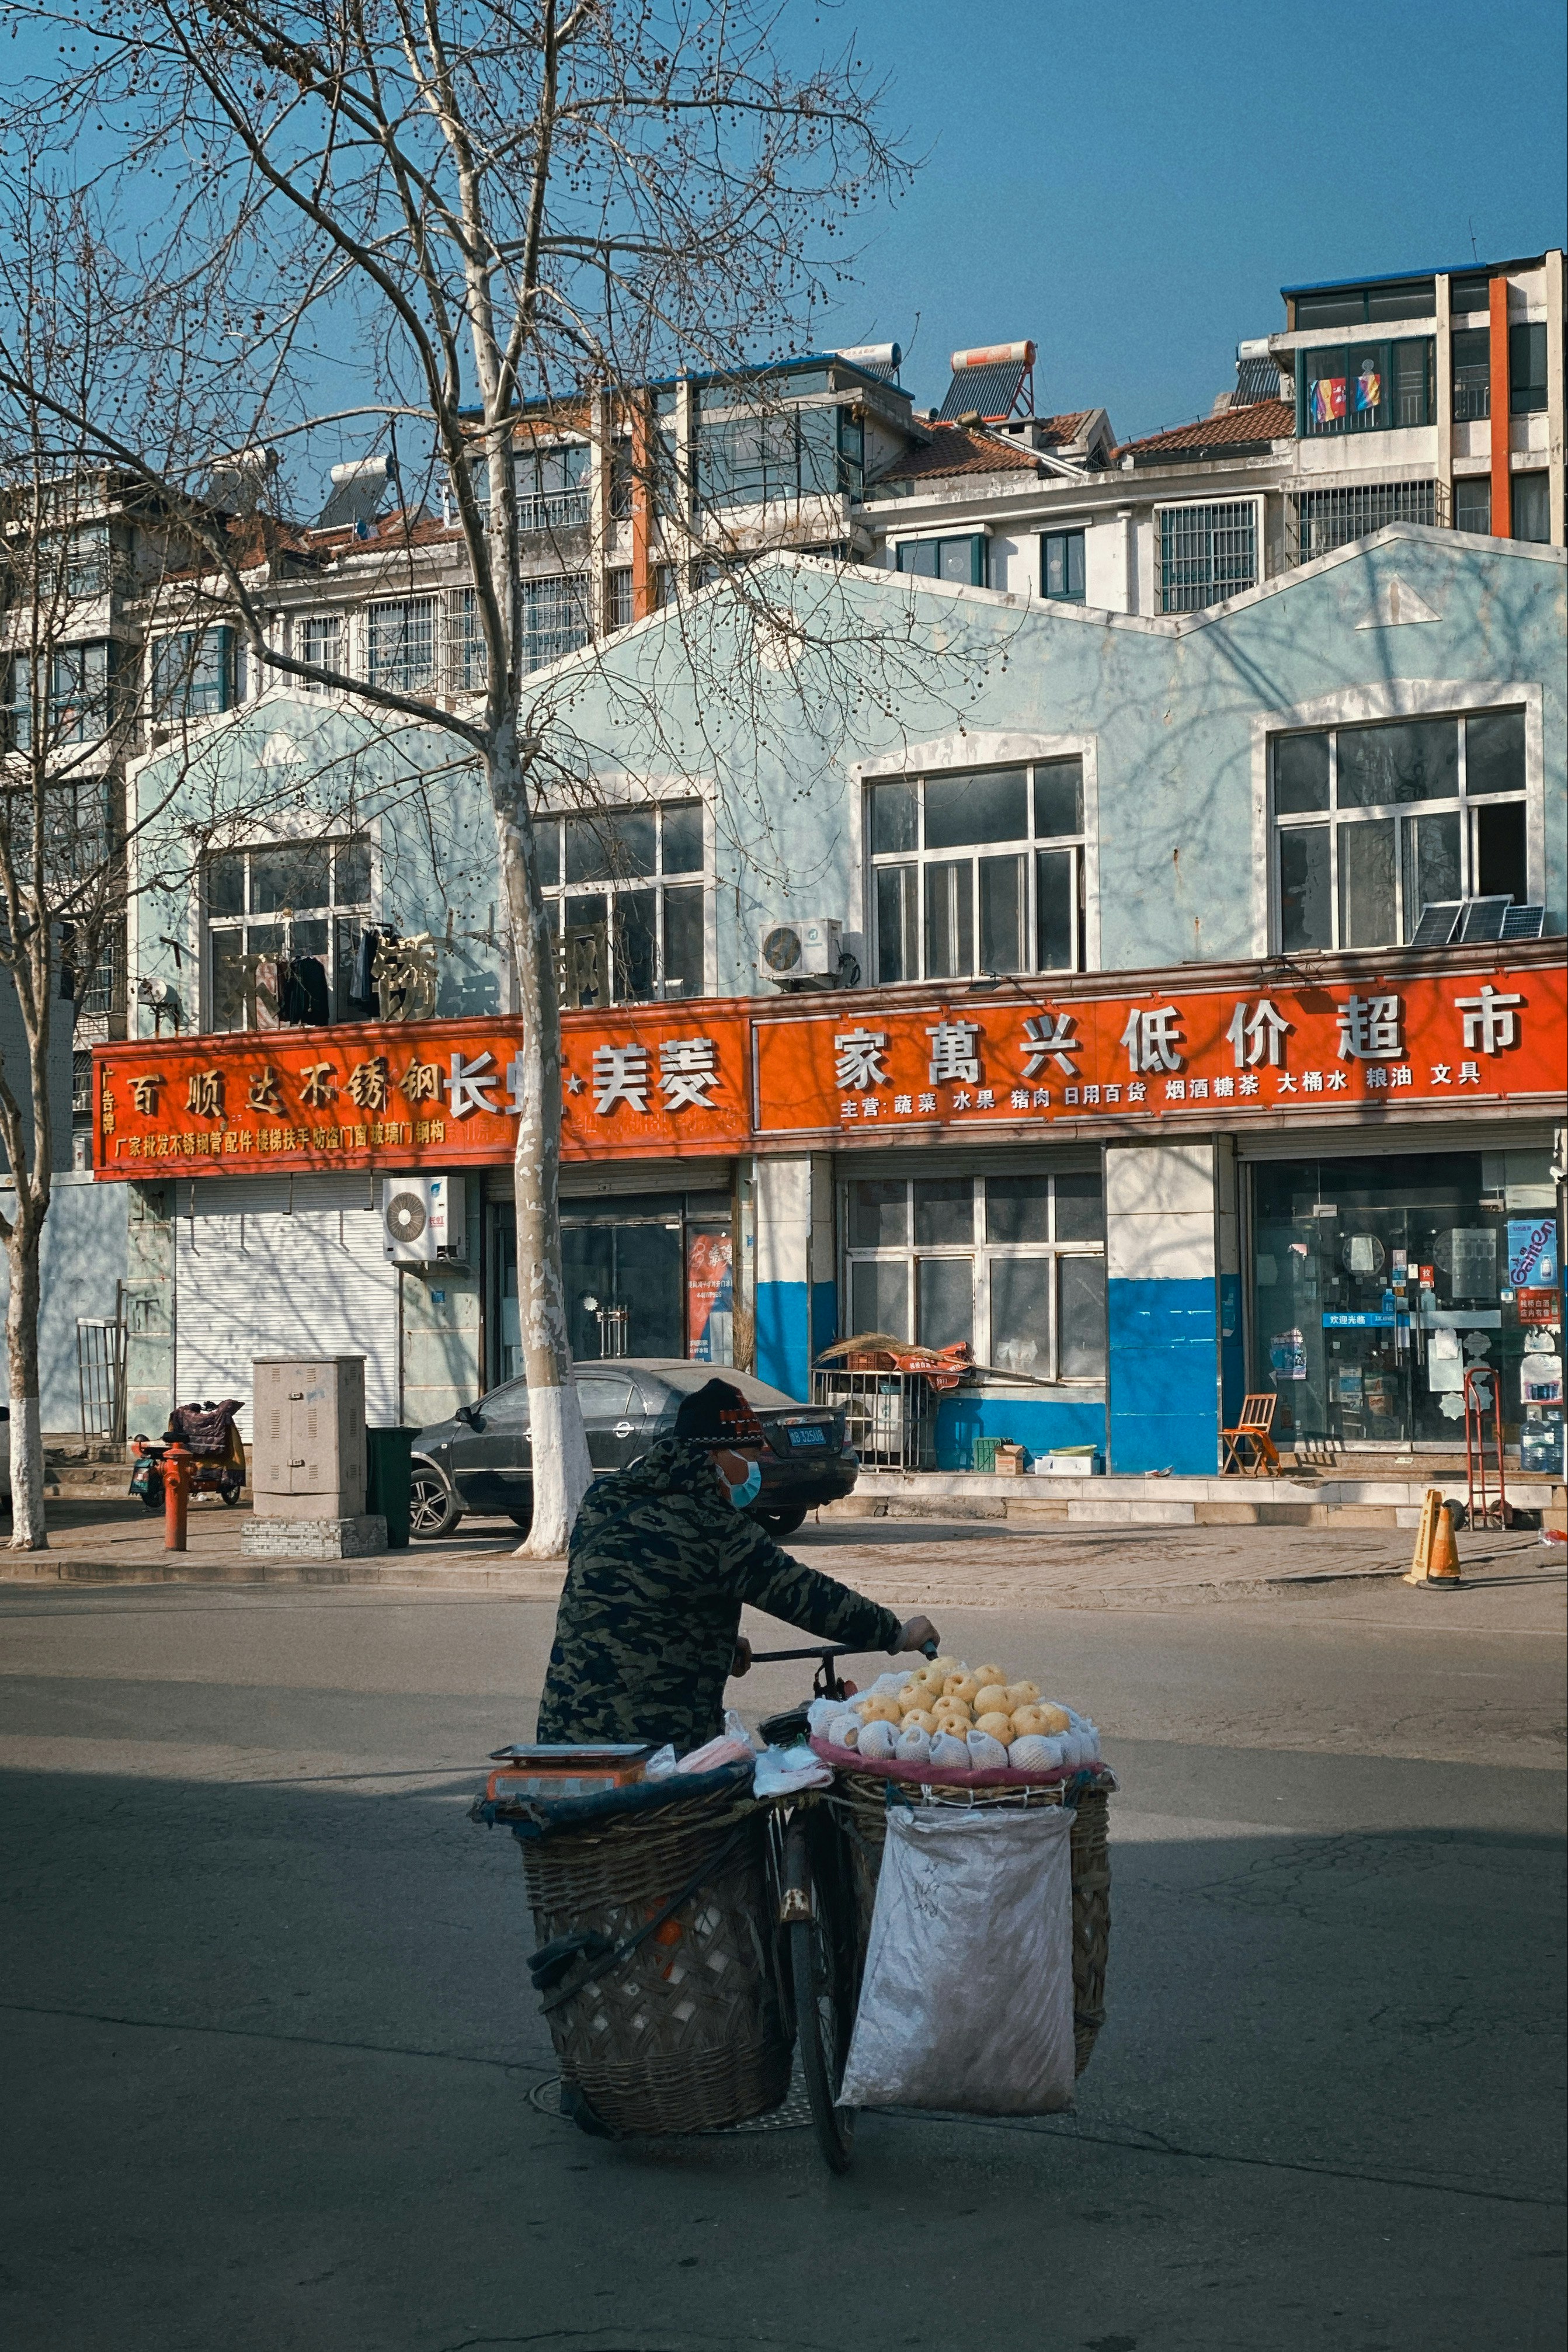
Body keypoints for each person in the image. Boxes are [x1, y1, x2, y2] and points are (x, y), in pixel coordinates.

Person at [535, 1377, 939, 1752]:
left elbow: (630, 1596)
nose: (755, 1469)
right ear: (714, 1454)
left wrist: (713, 1645)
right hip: (651, 1741)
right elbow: (806, 1595)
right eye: (749, 1456)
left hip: (561, 1729)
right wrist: (895, 1632)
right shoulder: (713, 1525)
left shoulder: (605, 1497)